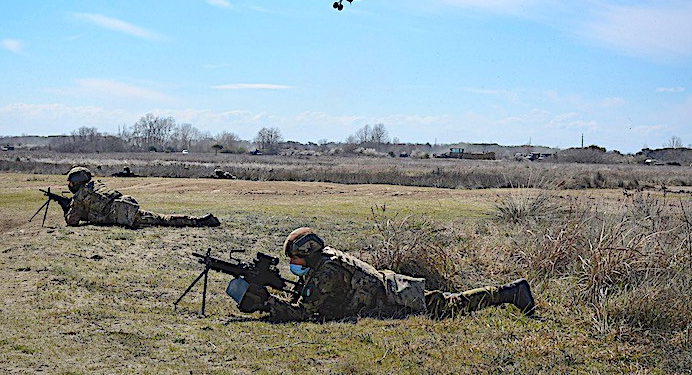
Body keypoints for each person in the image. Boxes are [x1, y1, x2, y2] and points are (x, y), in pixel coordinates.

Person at [229, 227, 535, 322]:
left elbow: (308, 313)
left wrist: (267, 304)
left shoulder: (327, 271)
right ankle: (509, 293)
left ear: (308, 253)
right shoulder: (325, 260)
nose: (293, 263)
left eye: (295, 257)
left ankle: (510, 293)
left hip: (392, 300)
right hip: (389, 288)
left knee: (447, 307)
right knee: (445, 304)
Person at [63, 166, 220, 228]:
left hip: (122, 213)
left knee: (163, 221)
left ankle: (199, 222)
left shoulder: (80, 196)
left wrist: (68, 207)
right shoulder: (95, 185)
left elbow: (72, 221)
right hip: (125, 203)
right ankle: (199, 220)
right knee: (160, 218)